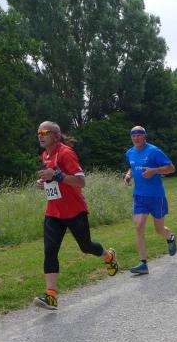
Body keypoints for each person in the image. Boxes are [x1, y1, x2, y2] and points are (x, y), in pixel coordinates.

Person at [32, 121, 118, 310]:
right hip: (53, 212)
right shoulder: (45, 155)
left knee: (86, 247)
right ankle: (51, 296)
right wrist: (43, 182)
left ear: (55, 135)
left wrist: (56, 176)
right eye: (38, 132)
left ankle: (108, 256)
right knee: (50, 251)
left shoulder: (66, 153)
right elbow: (53, 179)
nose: (40, 135)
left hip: (74, 211)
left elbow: (80, 182)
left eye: (44, 132)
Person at [123, 126, 177, 275]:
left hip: (156, 196)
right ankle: (143, 263)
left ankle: (170, 236)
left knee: (159, 229)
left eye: (139, 135)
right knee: (139, 226)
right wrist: (128, 175)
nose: (136, 138)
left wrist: (154, 171)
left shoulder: (154, 151)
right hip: (139, 196)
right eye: (133, 136)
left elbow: (171, 168)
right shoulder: (130, 152)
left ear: (144, 136)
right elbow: (132, 167)